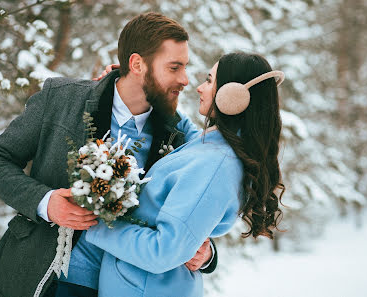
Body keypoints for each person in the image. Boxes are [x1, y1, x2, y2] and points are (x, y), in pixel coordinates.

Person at [0, 13, 217, 297]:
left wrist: (207, 253)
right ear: (137, 64)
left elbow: (201, 206)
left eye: (185, 67)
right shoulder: (62, 98)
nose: (185, 80)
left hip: (125, 287)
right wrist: (45, 202)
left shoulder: (179, 135)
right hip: (43, 277)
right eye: (174, 68)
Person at [86, 52, 286, 297]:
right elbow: (184, 128)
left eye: (210, 81)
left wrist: (95, 224)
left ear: (233, 96)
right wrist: (133, 85)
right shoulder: (216, 147)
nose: (200, 88)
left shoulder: (215, 166)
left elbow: (163, 252)